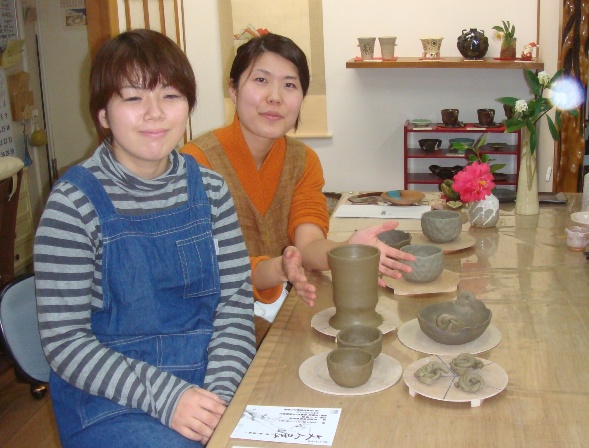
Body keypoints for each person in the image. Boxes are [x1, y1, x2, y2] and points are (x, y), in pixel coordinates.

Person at [34, 29, 255, 447]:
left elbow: (235, 307)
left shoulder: (211, 190)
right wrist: (170, 398)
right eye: (133, 98)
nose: (155, 114)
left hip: (208, 380)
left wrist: (219, 400)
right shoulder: (72, 204)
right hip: (109, 398)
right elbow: (65, 342)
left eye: (170, 96)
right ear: (103, 114)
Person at [182, 33, 414, 311]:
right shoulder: (196, 162)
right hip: (214, 318)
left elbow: (309, 245)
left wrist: (347, 250)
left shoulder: (303, 161)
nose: (275, 97)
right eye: (261, 80)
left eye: (290, 85)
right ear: (233, 90)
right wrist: (279, 268)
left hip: (283, 304)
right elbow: (205, 269)